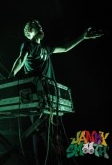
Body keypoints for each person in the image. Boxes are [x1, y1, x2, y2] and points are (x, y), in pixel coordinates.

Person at [8, 20, 103, 165]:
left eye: (40, 25)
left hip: (50, 96)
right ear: (28, 33)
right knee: (40, 132)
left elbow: (65, 48)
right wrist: (10, 78)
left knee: (55, 133)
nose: (40, 26)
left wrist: (83, 37)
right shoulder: (28, 45)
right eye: (35, 26)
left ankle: (57, 160)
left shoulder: (46, 48)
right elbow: (21, 60)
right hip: (36, 96)